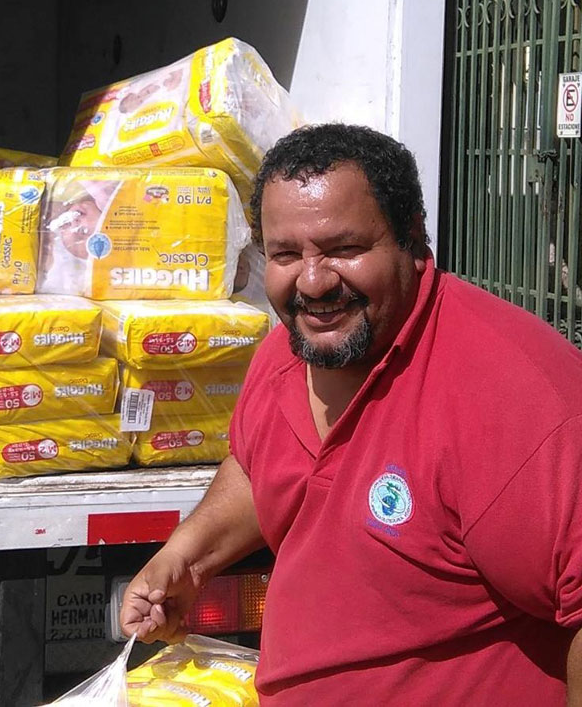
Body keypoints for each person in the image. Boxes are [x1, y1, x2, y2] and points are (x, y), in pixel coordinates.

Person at [120, 123, 582, 704]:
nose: (312, 282)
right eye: (286, 254)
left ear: (413, 241)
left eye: (343, 249)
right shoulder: (286, 354)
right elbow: (264, 464)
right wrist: (187, 558)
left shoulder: (517, 399)